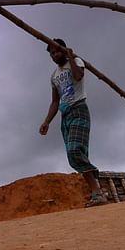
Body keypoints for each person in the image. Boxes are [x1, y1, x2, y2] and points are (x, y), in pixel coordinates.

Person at [39, 39, 107, 207]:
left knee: (75, 149)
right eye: (52, 53)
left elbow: (78, 76)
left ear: (64, 50)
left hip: (79, 110)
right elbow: (55, 101)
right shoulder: (54, 76)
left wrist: (71, 57)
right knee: (73, 156)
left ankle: (97, 187)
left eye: (57, 51)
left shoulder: (76, 62)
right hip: (65, 114)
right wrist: (47, 121)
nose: (55, 55)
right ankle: (97, 193)